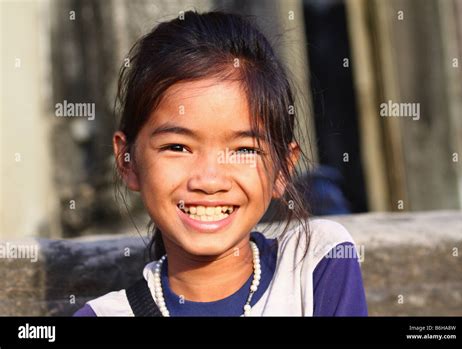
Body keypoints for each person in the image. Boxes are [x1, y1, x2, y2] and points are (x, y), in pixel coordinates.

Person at [74, 10, 367, 317]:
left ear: (282, 168)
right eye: (177, 147)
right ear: (127, 160)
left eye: (243, 149)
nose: (209, 180)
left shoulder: (315, 264)